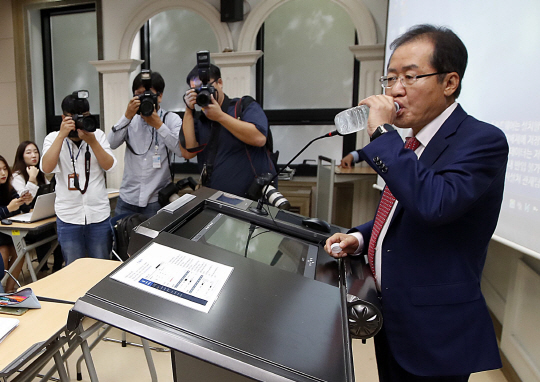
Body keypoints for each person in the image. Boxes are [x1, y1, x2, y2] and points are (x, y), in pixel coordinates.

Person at [325, 24, 508, 381]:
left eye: (410, 77)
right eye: (390, 79)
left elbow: (434, 204)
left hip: (433, 333)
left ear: (450, 82)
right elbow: (400, 209)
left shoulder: (482, 140)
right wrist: (362, 238)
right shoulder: (411, 143)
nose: (395, 91)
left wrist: (381, 134)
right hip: (389, 317)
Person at [41, 92, 117, 266]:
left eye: (84, 117)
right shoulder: (53, 138)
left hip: (98, 216)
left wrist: (93, 142)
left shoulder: (97, 136)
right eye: (73, 118)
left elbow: (110, 167)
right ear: (63, 117)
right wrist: (61, 135)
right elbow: (47, 168)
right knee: (73, 270)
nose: (78, 123)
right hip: (69, 218)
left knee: (101, 268)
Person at [180, 63, 276, 198]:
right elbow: (188, 152)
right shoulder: (201, 119)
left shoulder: (243, 106)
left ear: (220, 83)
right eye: (195, 90)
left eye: (205, 88)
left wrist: (220, 117)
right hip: (215, 199)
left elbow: (259, 138)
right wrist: (188, 110)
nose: (202, 93)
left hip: (252, 200)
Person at [108, 70, 182, 218]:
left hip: (156, 200)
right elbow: (111, 143)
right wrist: (126, 116)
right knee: (123, 241)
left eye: (147, 94)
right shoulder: (130, 120)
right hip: (127, 199)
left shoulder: (171, 119)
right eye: (138, 94)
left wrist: (159, 126)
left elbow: (181, 151)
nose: (142, 99)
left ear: (159, 96)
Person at [12, 141, 64, 272]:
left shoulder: (40, 172)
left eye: (35, 151)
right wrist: (32, 179)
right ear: (21, 156)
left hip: (40, 217)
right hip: (23, 224)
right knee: (45, 234)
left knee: (60, 232)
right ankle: (42, 269)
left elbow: (48, 195)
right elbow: (25, 201)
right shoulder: (17, 176)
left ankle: (57, 268)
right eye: (28, 152)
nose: (33, 155)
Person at [0, 155, 33, 292]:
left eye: (4, 169)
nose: (3, 173)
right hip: (1, 235)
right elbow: (10, 209)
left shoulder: (8, 187)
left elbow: (20, 208)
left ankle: (9, 290)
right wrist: (8, 209)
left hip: (8, 232)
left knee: (20, 251)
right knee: (4, 252)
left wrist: (25, 202)